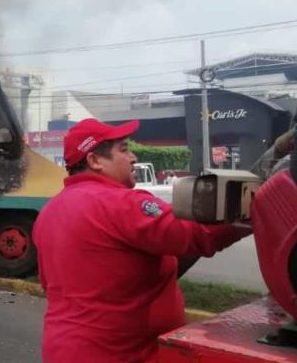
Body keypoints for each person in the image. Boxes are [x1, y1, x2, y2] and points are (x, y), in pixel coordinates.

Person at [33, 119, 250, 363]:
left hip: (63, 350)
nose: (133, 157)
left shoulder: (49, 212)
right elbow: (198, 233)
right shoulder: (120, 203)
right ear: (95, 161)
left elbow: (52, 283)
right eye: (124, 150)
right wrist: (254, 206)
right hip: (120, 355)